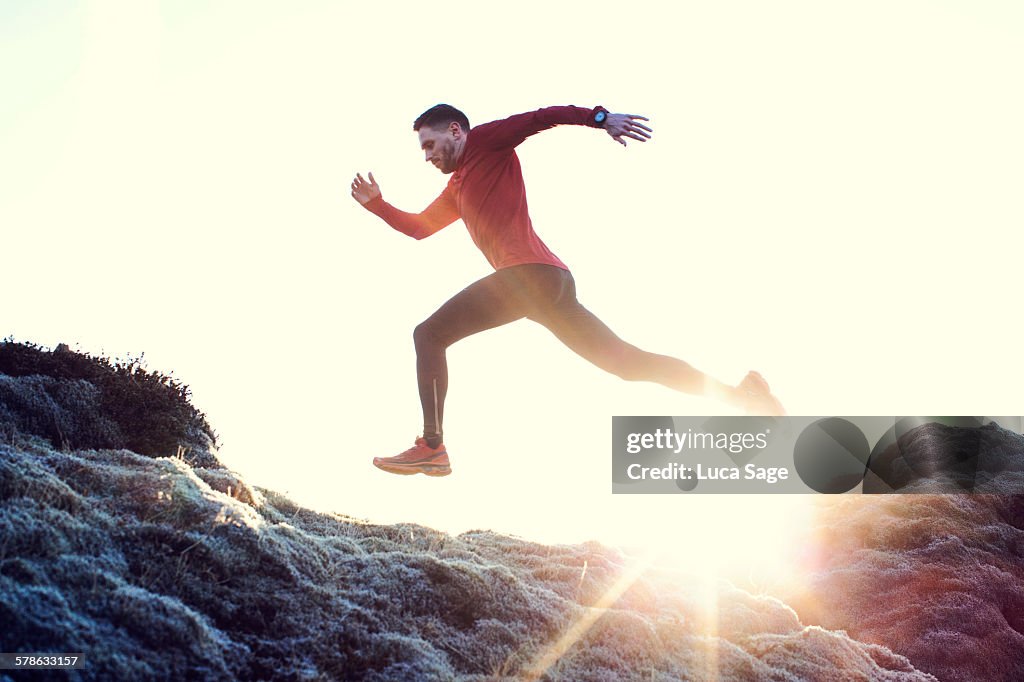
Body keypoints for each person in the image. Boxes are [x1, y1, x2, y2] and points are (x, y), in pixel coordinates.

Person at [350, 104, 784, 477]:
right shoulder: (457, 188)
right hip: (549, 285)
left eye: (429, 145)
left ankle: (432, 447)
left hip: (530, 278)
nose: (426, 156)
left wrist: (601, 118)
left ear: (454, 131)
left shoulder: (486, 142)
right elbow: (421, 229)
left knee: (428, 335)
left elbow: (543, 118)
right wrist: (378, 206)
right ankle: (745, 396)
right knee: (629, 364)